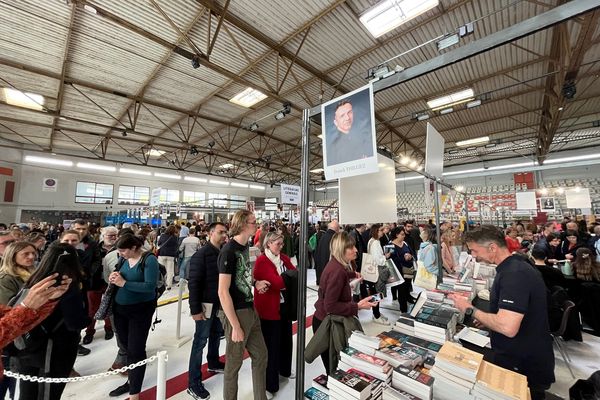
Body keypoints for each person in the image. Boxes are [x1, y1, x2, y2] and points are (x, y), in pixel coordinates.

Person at [449, 225, 555, 400]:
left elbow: (507, 327)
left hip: (522, 363)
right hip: (521, 355)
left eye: (475, 251)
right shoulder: (514, 266)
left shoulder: (514, 274)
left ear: (492, 248)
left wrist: (469, 309)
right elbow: (514, 314)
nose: (473, 257)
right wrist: (490, 319)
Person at [14, 243, 90, 400]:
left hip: (27, 347)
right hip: (55, 350)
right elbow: (75, 322)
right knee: (49, 395)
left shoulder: (34, 280)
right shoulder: (67, 285)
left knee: (26, 394)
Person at [217, 210, 268, 400]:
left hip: (250, 308)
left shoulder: (245, 246)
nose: (256, 225)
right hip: (236, 314)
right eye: (253, 222)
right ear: (243, 224)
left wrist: (255, 283)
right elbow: (223, 291)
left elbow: (245, 274)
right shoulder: (228, 251)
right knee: (233, 364)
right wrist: (235, 325)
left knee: (261, 355)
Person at [312, 232, 378, 374]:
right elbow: (330, 306)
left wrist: (353, 274)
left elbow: (339, 276)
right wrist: (358, 306)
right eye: (351, 247)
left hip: (323, 320)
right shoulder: (337, 271)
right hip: (327, 325)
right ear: (341, 250)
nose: (355, 250)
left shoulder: (336, 265)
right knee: (334, 369)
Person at [107, 234, 159, 399]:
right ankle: (131, 380)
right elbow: (120, 273)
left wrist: (125, 284)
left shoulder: (149, 260)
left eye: (124, 251)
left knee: (136, 350)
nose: (121, 253)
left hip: (140, 310)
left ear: (134, 248)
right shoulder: (123, 259)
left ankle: (134, 392)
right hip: (120, 309)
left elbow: (150, 287)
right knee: (126, 347)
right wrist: (114, 277)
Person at [0, 275, 71, 380]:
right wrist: (26, 307)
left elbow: (19, 319)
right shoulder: (6, 278)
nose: (31, 257)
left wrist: (47, 299)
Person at [187, 223, 227, 400]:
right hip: (205, 305)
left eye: (225, 232)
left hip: (219, 304)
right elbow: (194, 283)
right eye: (220, 232)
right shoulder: (201, 255)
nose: (224, 235)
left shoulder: (223, 252)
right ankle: (193, 382)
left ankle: (213, 361)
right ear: (210, 233)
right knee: (200, 341)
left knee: (216, 333)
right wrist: (195, 309)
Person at [253, 232, 297, 396]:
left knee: (286, 341)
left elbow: (295, 273)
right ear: (268, 244)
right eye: (277, 244)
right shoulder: (262, 261)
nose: (281, 246)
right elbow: (279, 283)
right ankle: (270, 385)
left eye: (281, 243)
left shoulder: (283, 258)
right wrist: (286, 278)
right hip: (268, 311)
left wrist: (284, 278)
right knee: (271, 347)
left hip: (284, 308)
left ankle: (284, 370)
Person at [325, 100, 374, 166]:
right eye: (342, 116)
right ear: (336, 122)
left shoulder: (361, 138)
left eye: (349, 112)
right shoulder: (335, 146)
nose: (347, 118)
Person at [389, 226, 414, 312]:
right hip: (398, 272)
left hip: (408, 271)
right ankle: (403, 310)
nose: (404, 236)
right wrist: (404, 258)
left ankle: (408, 301)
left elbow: (412, 253)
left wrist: (410, 256)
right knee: (401, 291)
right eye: (402, 234)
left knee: (407, 288)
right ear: (396, 235)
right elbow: (389, 260)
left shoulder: (405, 243)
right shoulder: (390, 245)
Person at [314, 220, 339, 285]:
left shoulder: (323, 236)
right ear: (337, 228)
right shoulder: (335, 238)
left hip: (322, 270)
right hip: (330, 271)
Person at [157, 224, 179, 290]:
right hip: (171, 255)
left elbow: (159, 244)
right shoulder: (175, 237)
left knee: (161, 270)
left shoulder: (162, 235)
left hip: (162, 254)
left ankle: (161, 283)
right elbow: (176, 246)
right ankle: (168, 285)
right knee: (170, 270)